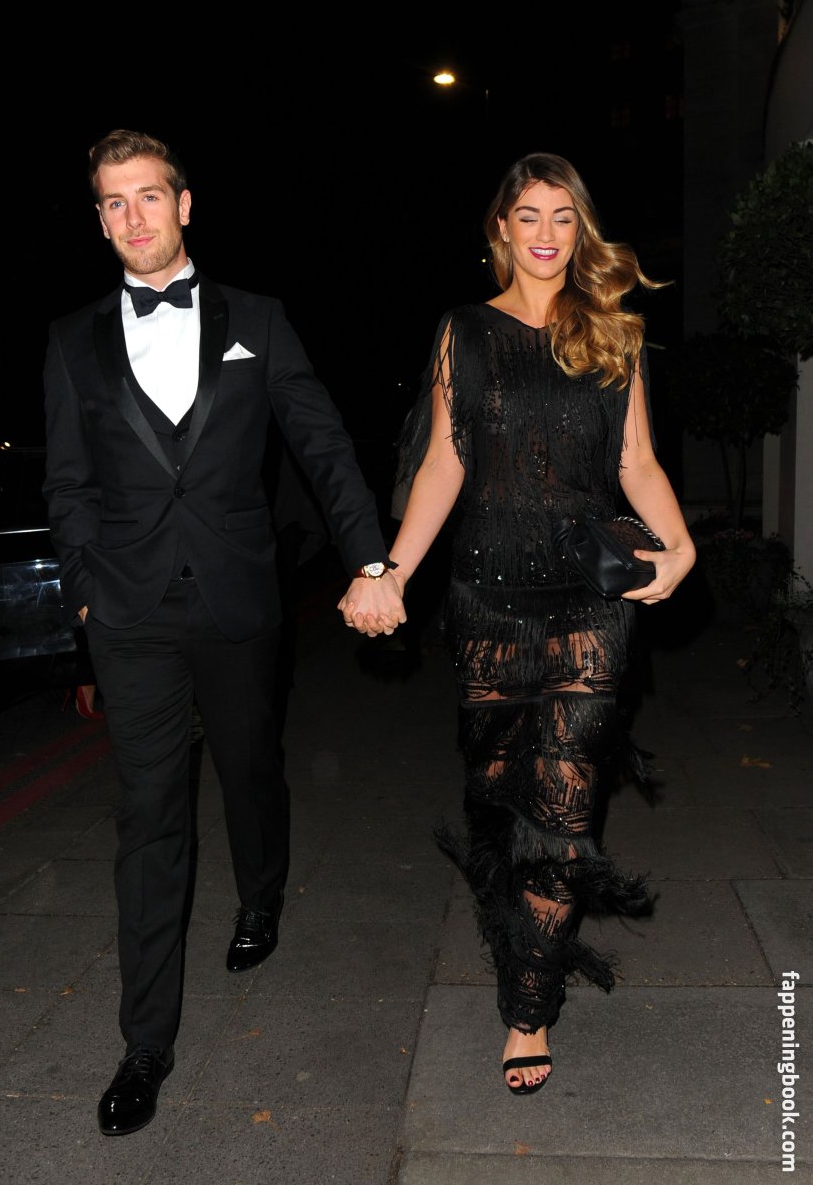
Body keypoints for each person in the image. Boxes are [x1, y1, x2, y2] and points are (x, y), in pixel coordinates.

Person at [43, 129, 405, 1136]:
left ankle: (261, 895)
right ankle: (145, 1045)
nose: (133, 216)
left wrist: (371, 559)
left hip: (240, 601)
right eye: (113, 202)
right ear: (99, 218)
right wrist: (85, 597)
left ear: (185, 204)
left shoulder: (258, 319)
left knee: (249, 769)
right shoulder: (71, 339)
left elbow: (322, 444)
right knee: (149, 817)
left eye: (148, 196)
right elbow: (67, 486)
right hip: (129, 617)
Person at [339, 153, 696, 1095]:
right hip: (489, 601)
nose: (545, 234)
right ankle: (520, 946)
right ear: (500, 227)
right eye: (528, 215)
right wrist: (392, 569)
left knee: (564, 810)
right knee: (500, 803)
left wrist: (681, 544)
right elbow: (444, 462)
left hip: (590, 606)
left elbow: (638, 462)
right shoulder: (464, 331)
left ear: (582, 231)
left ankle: (528, 1007)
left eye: (563, 217)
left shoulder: (614, 330)